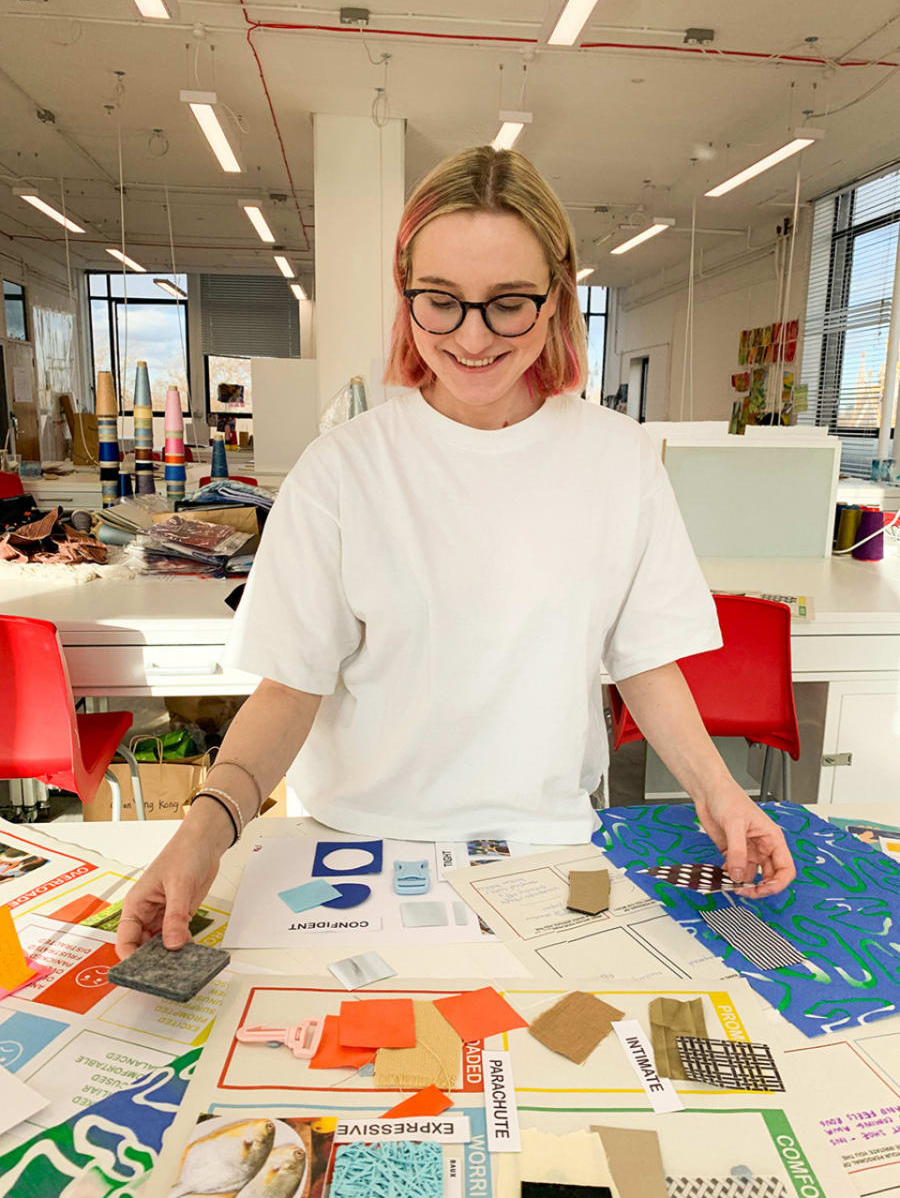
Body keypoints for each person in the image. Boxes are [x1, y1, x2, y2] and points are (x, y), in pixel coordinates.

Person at [116, 146, 795, 961]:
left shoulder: (620, 461)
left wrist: (720, 795)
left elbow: (643, 660)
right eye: (441, 301)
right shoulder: (343, 470)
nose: (472, 338)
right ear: (407, 298)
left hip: (545, 849)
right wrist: (207, 824)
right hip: (353, 851)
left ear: (557, 298)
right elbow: (289, 689)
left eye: (508, 302)